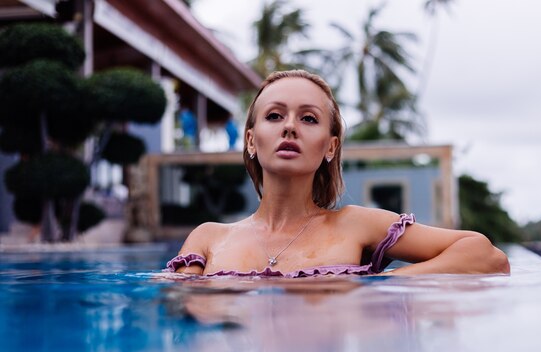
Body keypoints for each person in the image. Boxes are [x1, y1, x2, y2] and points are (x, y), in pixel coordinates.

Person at [166, 70, 510, 277]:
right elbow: (178, 321)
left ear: (330, 148)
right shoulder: (208, 238)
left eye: (309, 118)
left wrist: (378, 289)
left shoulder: (355, 225)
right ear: (251, 141)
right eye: (274, 116)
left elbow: (486, 255)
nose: (289, 127)